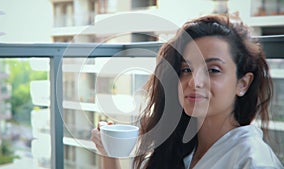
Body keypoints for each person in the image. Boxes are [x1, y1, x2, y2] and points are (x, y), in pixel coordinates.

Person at [91, 14, 284, 169]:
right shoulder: (185, 149)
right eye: (186, 69)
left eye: (213, 70)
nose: (194, 81)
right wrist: (109, 152)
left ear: (243, 84)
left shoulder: (251, 160)